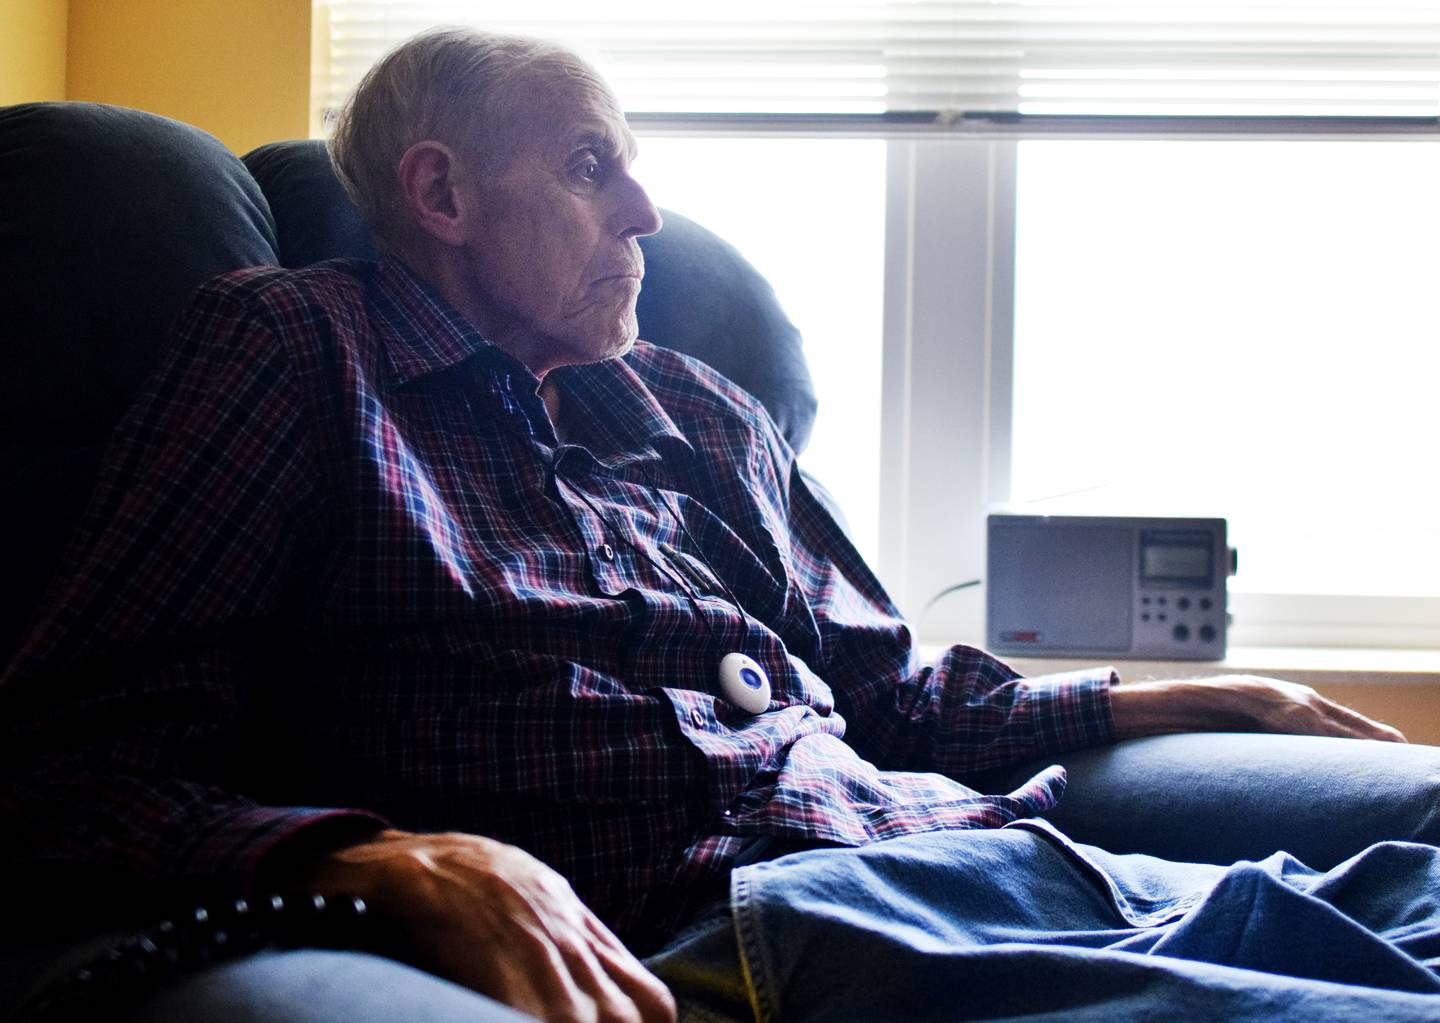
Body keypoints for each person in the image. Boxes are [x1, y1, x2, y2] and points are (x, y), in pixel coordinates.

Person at [0, 26, 1430, 1023]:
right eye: (588, 165)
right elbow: (69, 763)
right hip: (764, 929)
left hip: (980, 853)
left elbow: (893, 698)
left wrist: (1187, 693)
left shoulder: (696, 405)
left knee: (1404, 904)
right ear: (439, 192)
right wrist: (383, 856)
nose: (647, 211)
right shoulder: (297, 349)